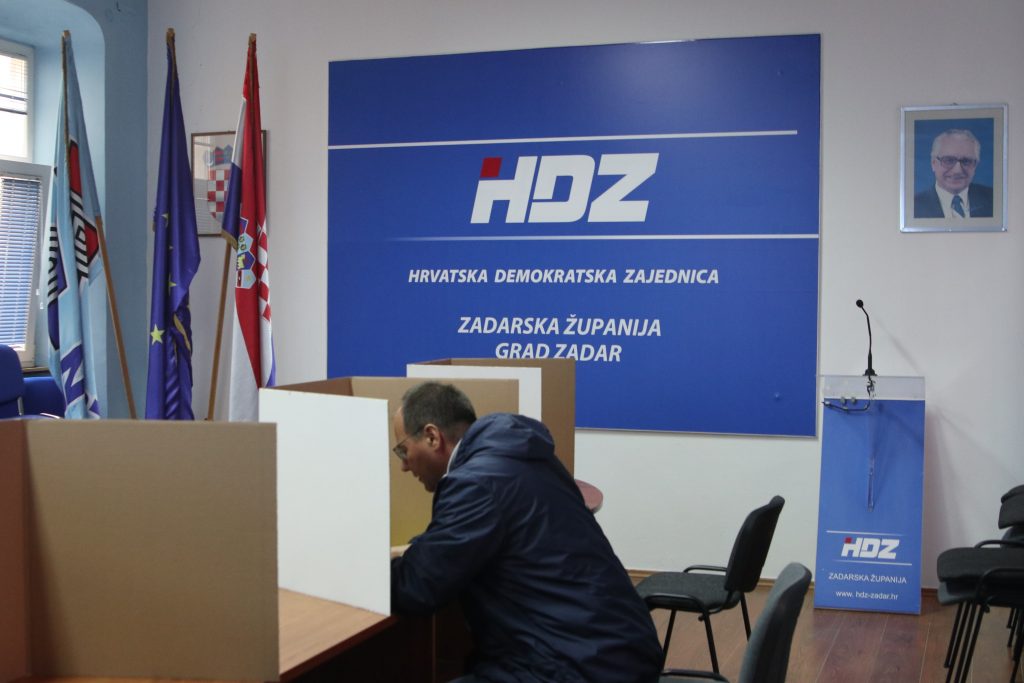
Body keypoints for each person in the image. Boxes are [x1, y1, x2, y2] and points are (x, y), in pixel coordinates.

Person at [390, 381, 663, 683]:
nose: (404, 467)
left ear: (432, 437)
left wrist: (363, 571)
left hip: (577, 665)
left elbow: (417, 586)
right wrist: (417, 549)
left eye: (403, 450)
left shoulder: (476, 483)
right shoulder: (519, 458)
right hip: (615, 647)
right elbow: (462, 539)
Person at [914, 128, 993, 218]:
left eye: (966, 161)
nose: (957, 171)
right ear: (933, 163)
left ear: (975, 165)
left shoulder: (994, 199)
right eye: (948, 160)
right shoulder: (914, 206)